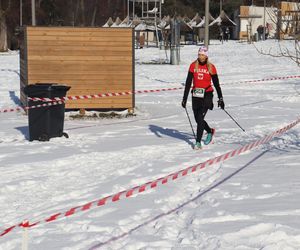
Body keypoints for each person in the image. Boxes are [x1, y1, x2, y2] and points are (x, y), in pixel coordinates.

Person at [181, 46, 225, 150]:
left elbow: (217, 84)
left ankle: (197, 142)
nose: (200, 57)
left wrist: (221, 98)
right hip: (196, 95)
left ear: (206, 56)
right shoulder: (193, 66)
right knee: (197, 119)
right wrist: (184, 98)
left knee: (200, 118)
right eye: (199, 54)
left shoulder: (211, 67)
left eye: (202, 55)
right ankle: (209, 131)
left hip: (207, 95)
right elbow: (188, 83)